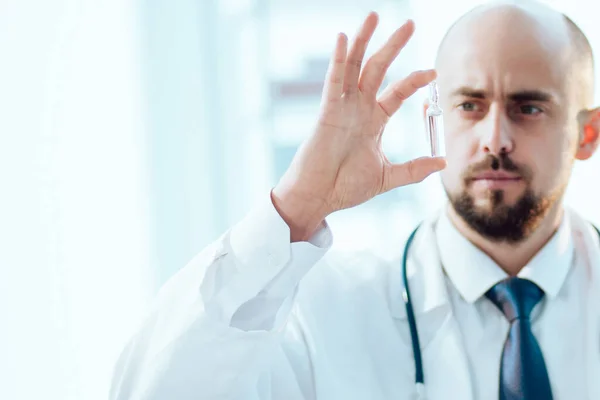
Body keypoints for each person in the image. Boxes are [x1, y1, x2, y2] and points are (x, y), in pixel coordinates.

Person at [109, 1, 600, 399]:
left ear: (587, 133)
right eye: (469, 105)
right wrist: (296, 207)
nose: (495, 139)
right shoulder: (324, 312)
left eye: (529, 107)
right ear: (435, 119)